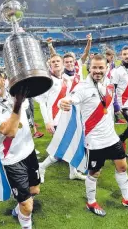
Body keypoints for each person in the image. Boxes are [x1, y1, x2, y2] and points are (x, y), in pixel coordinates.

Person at [59, 54, 128, 217]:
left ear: (107, 68)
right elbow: (71, 98)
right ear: (89, 68)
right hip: (95, 142)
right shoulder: (82, 87)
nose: (98, 71)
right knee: (94, 173)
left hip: (112, 138)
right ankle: (91, 202)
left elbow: (109, 103)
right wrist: (63, 102)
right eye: (95, 67)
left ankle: (127, 198)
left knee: (122, 167)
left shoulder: (108, 83)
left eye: (101, 67)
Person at [0, 69, 40, 229]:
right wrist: (18, 103)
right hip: (13, 160)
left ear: (3, 79)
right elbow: (9, 132)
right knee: (28, 206)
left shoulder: (15, 92)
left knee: (35, 190)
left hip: (30, 151)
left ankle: (18, 209)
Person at [37, 41, 86, 183]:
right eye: (53, 61)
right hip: (55, 120)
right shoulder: (47, 81)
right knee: (61, 150)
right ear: (50, 65)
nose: (56, 63)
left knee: (73, 143)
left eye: (58, 61)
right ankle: (42, 167)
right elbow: (42, 103)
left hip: (68, 117)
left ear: (63, 64)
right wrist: (47, 122)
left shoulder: (66, 79)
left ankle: (73, 172)